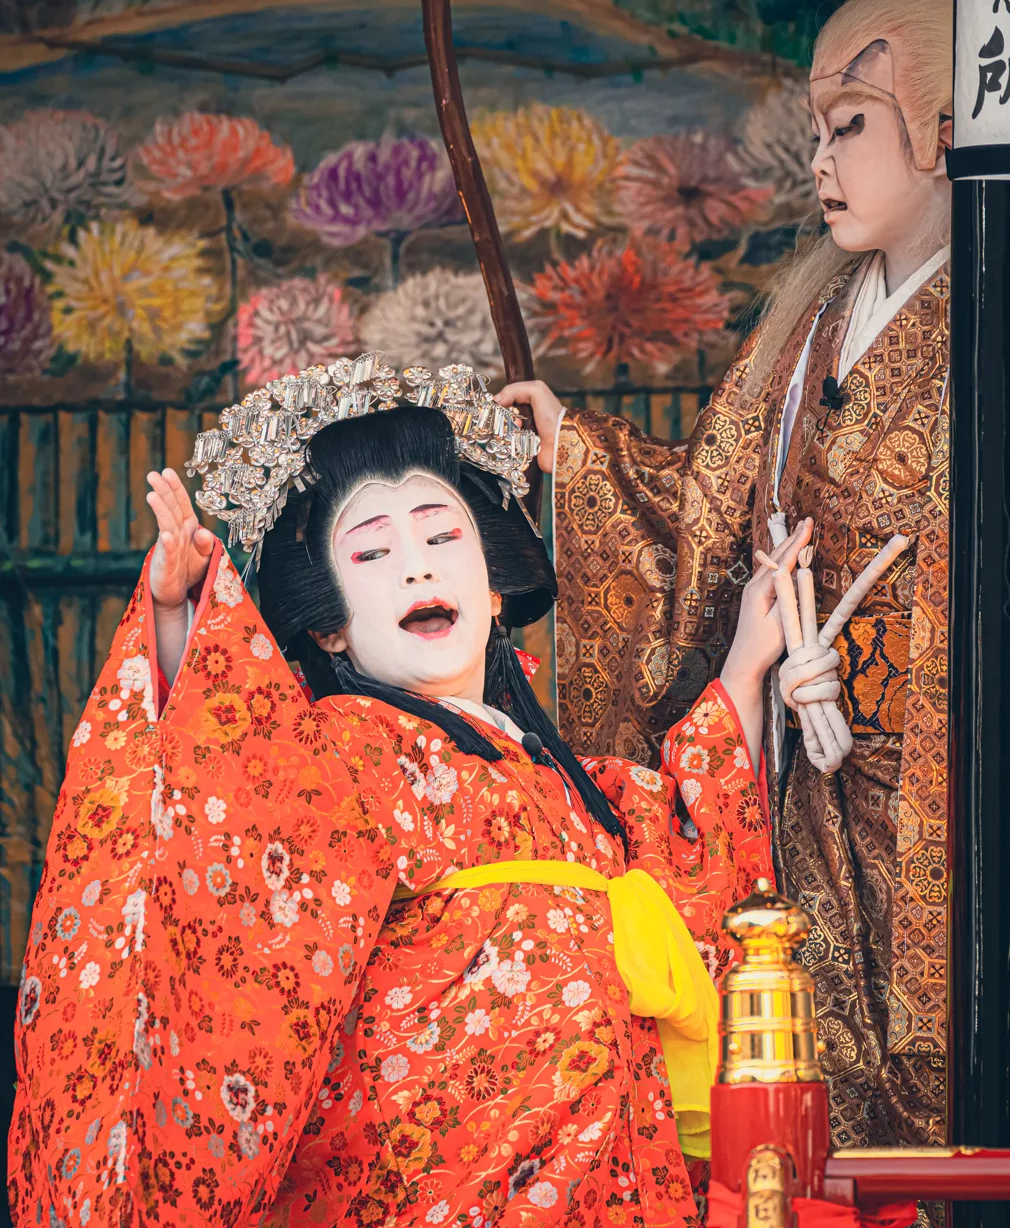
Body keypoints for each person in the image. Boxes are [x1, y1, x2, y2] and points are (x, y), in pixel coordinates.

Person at [8, 362, 830, 1228]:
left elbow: (687, 849)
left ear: (495, 589)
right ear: (330, 623)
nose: (415, 569)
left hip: (608, 1166)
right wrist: (181, 619)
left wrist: (748, 664)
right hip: (433, 1177)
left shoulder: (571, 784)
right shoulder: (338, 753)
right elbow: (222, 802)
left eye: (441, 537)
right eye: (372, 553)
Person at [497, 0, 952, 1152]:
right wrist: (578, 452)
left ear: (947, 126)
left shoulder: (988, 324)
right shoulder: (807, 323)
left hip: (937, 789)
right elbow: (710, 513)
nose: (822, 161)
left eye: (850, 126)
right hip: (805, 776)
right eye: (818, 131)